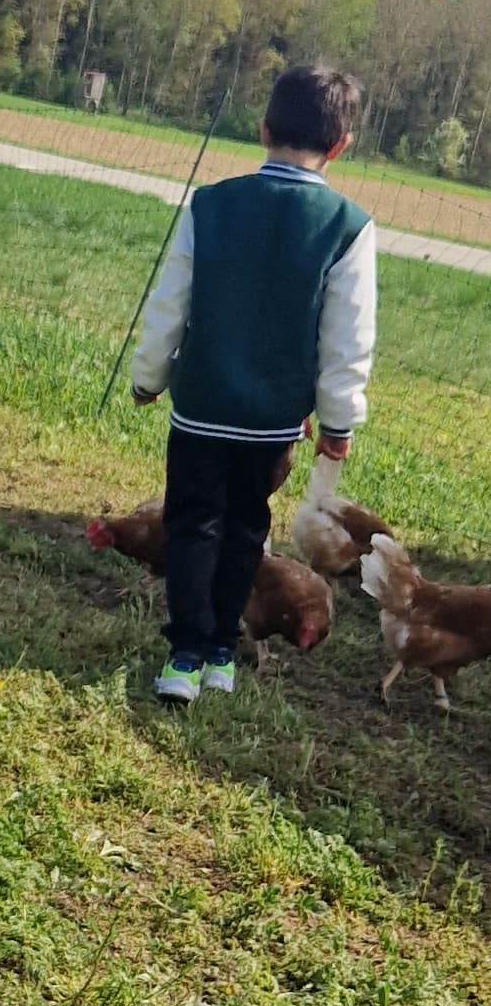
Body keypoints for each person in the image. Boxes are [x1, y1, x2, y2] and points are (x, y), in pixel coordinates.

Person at [130, 62, 375, 705]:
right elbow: (347, 340)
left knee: (191, 527)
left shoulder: (210, 205)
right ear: (341, 146)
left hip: (202, 410)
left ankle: (182, 657)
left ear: (263, 128)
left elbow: (169, 304)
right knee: (246, 528)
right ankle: (219, 655)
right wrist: (338, 422)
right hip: (272, 422)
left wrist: (148, 377)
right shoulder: (349, 227)